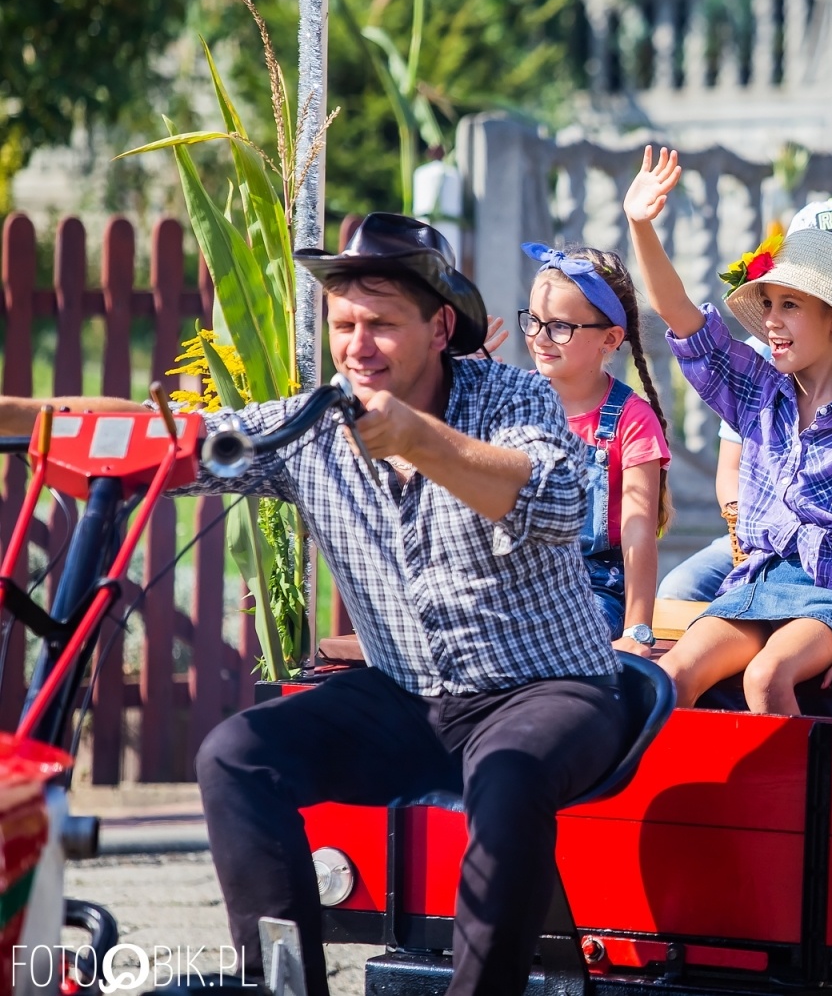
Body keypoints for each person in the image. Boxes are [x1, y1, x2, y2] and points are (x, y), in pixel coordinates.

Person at [0, 213, 627, 996]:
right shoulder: (315, 423)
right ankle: (285, 985)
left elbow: (558, 499)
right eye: (345, 324)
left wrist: (419, 440)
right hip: (408, 696)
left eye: (382, 324)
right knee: (235, 756)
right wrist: (17, 419)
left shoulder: (514, 399)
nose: (358, 344)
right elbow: (173, 434)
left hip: (547, 689)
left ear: (439, 327)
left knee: (508, 775)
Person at [625, 146, 832, 713]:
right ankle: (692, 804)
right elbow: (681, 315)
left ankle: (794, 802)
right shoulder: (758, 389)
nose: (772, 322)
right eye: (768, 304)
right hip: (754, 581)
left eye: (790, 306)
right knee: (673, 678)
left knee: (766, 678)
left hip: (831, 593)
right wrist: (640, 225)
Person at [656, 198, 832, 603]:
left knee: (772, 661)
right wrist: (761, 531)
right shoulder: (763, 367)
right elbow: (730, 472)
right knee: (680, 591)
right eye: (770, 303)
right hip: (758, 547)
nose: (772, 320)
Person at [519, 242, 671, 650]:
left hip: (593, 589)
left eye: (560, 327)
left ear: (610, 339)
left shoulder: (631, 418)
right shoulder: (516, 401)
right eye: (533, 321)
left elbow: (639, 530)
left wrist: (637, 629)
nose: (540, 338)